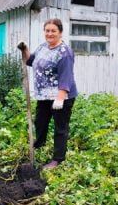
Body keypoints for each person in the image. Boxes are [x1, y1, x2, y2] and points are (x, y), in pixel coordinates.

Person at [18, 18, 77, 169]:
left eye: (53, 31)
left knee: (60, 127)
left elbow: (66, 75)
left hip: (61, 97)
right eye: (47, 30)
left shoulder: (64, 52)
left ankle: (58, 159)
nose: (49, 34)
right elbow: (31, 61)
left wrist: (60, 98)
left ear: (60, 32)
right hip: (44, 95)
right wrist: (25, 49)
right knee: (40, 121)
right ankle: (39, 144)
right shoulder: (43, 47)